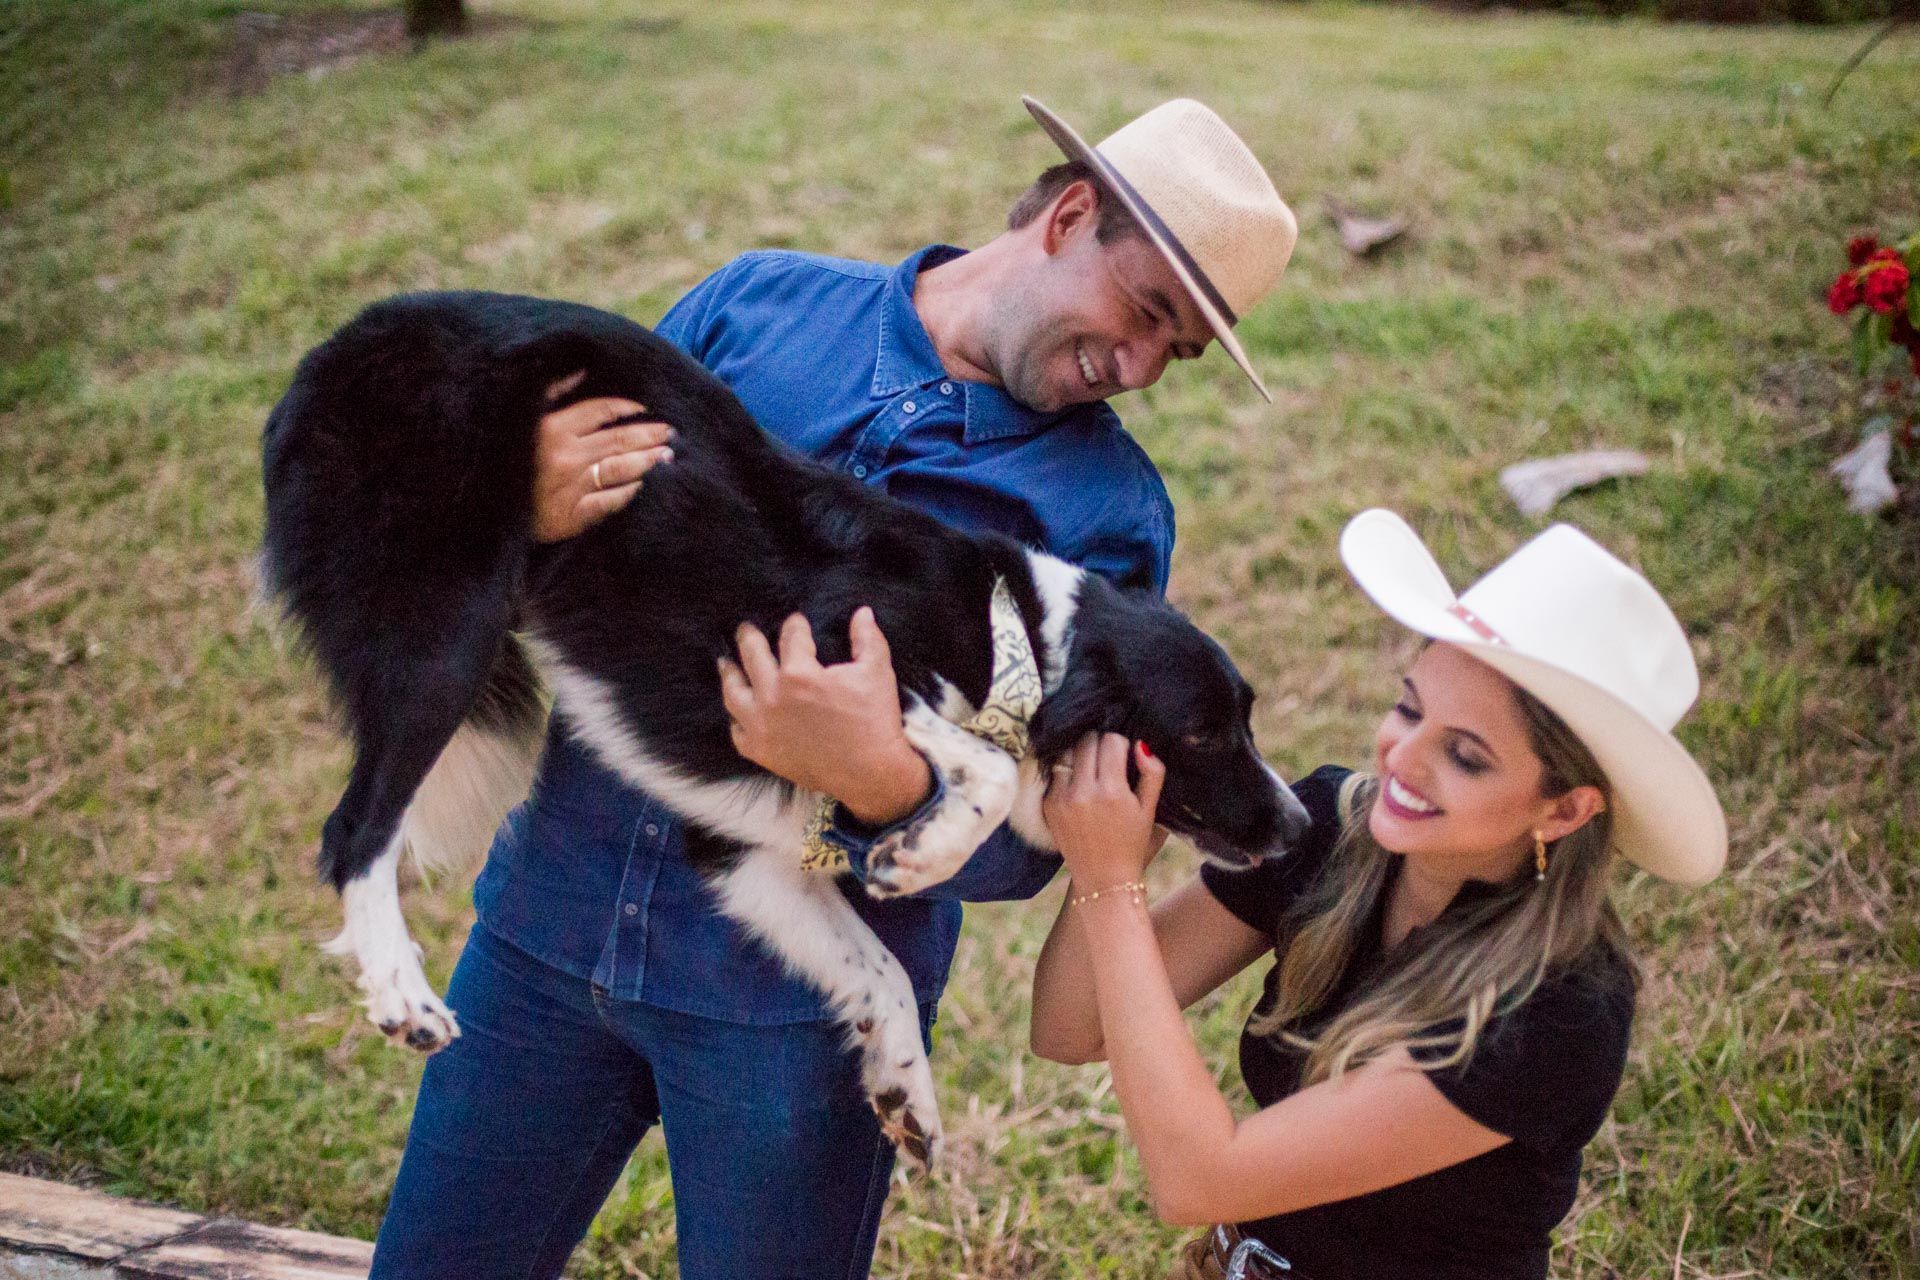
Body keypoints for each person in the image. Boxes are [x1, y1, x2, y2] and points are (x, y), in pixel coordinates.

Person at [367, 96, 1298, 1279]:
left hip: (800, 1023)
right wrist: (521, 502)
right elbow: (539, 535)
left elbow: (1039, 842)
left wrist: (882, 776)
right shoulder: (754, 302)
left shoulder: (1108, 520)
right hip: (543, 934)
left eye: (1179, 351)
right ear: (1070, 215)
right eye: (1148, 312)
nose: (1143, 364)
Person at [1032, 509, 1728, 1280]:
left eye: (1465, 756)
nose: (1404, 758)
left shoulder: (1558, 1008)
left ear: (1565, 809)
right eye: (1410, 707)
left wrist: (1110, 883)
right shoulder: (1332, 828)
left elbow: (1198, 1177)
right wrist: (1131, 823)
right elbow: (1070, 1027)